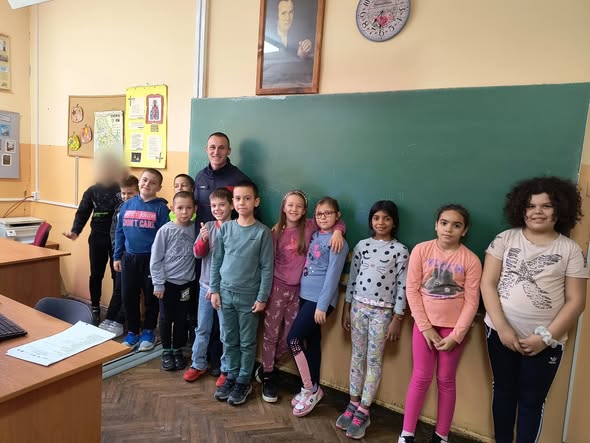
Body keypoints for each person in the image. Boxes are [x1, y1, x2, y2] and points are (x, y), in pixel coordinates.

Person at [480, 177, 588, 443]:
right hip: (500, 334)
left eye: (546, 205)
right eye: (531, 205)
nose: (537, 211)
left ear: (559, 209)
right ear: (521, 209)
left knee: (532, 401)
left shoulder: (570, 250)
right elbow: (487, 283)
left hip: (546, 342)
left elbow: (576, 301)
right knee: (503, 393)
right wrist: (503, 329)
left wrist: (545, 338)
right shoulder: (505, 239)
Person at [398, 204, 482, 443]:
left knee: (446, 380)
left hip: (453, 331)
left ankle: (441, 435)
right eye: (444, 223)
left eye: (456, 225)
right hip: (423, 327)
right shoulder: (421, 250)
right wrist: (425, 326)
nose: (448, 229)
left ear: (464, 230)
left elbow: (472, 301)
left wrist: (457, 335)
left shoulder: (471, 260)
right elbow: (412, 290)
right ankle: (407, 433)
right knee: (420, 377)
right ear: (436, 225)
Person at [256, 190, 345, 403]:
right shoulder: (275, 233)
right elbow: (266, 263)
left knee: (291, 337)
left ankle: (270, 364)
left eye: (299, 206)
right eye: (290, 205)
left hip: (299, 292)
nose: (294, 209)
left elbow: (333, 220)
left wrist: (339, 231)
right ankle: (268, 375)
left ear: (305, 211)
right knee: (270, 334)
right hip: (277, 289)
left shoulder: (311, 227)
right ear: (283, 208)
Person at [337, 200, 408, 439]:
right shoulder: (362, 245)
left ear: (394, 222)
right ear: (371, 221)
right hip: (358, 308)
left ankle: (364, 410)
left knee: (373, 360)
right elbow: (352, 278)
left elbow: (403, 287)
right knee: (357, 356)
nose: (381, 222)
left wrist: (398, 318)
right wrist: (346, 308)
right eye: (376, 218)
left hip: (382, 313)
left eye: (386, 218)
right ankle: (353, 402)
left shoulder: (400, 251)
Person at [210, 181, 274, 406]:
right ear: (233, 202)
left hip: (249, 297)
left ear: (256, 202)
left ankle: (243, 381)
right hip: (225, 293)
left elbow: (267, 268)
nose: (242, 203)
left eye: (247, 198)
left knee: (246, 342)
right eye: (237, 198)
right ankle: (231, 375)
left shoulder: (263, 232)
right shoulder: (225, 228)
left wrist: (262, 297)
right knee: (229, 339)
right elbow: (216, 261)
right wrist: (214, 289)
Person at [194, 132, 252, 376]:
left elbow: (247, 214)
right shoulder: (200, 177)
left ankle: (222, 365)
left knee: (224, 324)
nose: (216, 152)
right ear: (206, 149)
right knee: (203, 321)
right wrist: (201, 238)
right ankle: (201, 361)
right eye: (212, 147)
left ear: (229, 151)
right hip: (205, 254)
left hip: (229, 266)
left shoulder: (239, 178)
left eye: (221, 148)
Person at [288, 197, 349, 417]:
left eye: (328, 213)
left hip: (319, 301)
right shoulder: (314, 234)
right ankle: (313, 385)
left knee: (293, 339)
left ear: (337, 215)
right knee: (312, 342)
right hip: (305, 296)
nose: (323, 217)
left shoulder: (338, 242)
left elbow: (333, 277)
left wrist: (322, 306)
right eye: (319, 213)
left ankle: (310, 389)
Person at [113, 169, 170, 351]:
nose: (147, 184)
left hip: (152, 261)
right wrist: (117, 256)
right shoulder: (127, 205)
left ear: (159, 187)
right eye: (144, 180)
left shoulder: (161, 208)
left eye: (152, 182)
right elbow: (120, 232)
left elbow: (164, 237)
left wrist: (161, 262)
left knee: (151, 298)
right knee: (128, 296)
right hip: (129, 258)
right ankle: (132, 332)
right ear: (139, 183)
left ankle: (148, 331)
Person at [62, 155, 122, 323]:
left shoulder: (121, 190)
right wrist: (75, 231)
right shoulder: (92, 191)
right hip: (97, 237)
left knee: (117, 275)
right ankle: (95, 307)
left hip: (117, 238)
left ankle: (115, 311)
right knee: (96, 274)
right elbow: (82, 213)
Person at [184, 187, 234, 386]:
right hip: (205, 285)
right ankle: (198, 363)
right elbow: (197, 254)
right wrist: (204, 239)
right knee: (202, 328)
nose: (217, 209)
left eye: (222, 205)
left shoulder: (236, 228)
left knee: (225, 331)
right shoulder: (208, 227)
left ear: (231, 205)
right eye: (214, 205)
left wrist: (217, 288)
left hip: (225, 289)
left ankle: (226, 369)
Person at [150, 191, 197, 371]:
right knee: (165, 318)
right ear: (172, 209)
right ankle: (166, 351)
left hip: (186, 285)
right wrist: (158, 283)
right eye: (180, 208)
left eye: (188, 208)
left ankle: (177, 349)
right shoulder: (165, 230)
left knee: (181, 318)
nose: (184, 212)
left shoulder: (195, 229)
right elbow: (156, 259)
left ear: (194, 209)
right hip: (167, 284)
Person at [98, 174, 139, 337]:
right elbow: (115, 232)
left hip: (133, 255)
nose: (126, 197)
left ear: (138, 192)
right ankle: (110, 318)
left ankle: (120, 321)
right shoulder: (119, 208)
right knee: (118, 288)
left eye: (130, 193)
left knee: (128, 291)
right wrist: (117, 253)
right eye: (123, 193)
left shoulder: (140, 209)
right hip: (120, 254)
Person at [263, 0, 316, 88]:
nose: (288, 18)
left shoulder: (301, 31)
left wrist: (303, 54)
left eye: (290, 12)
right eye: (283, 13)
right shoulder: (267, 36)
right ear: (277, 15)